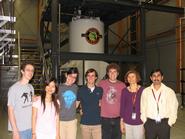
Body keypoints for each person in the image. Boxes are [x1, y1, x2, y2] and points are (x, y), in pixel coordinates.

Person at [140, 68, 178, 139]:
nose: (156, 77)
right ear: (151, 78)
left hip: (164, 123)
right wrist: (145, 122)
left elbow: (174, 108)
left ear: (162, 77)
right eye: (154, 76)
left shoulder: (169, 91)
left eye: (158, 75)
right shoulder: (146, 91)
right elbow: (142, 107)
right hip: (150, 123)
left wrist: (170, 123)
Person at [98, 63, 126, 139]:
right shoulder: (101, 83)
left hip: (118, 118)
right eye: (110, 71)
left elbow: (125, 102)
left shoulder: (122, 85)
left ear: (118, 73)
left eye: (115, 72)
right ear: (107, 73)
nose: (113, 73)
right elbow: (96, 96)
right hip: (105, 118)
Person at [8, 62, 34, 139]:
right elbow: (10, 111)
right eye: (28, 70)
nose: (30, 72)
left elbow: (30, 100)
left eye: (32, 70)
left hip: (31, 127)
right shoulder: (14, 88)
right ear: (22, 71)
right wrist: (15, 131)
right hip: (20, 129)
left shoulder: (30, 87)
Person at [77, 68, 103, 139]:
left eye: (93, 75)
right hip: (85, 123)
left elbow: (102, 104)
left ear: (96, 77)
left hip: (98, 123)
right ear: (86, 77)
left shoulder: (100, 90)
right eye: (88, 75)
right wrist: (80, 109)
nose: (91, 77)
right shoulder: (81, 90)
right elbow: (76, 104)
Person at [120, 70, 144, 139]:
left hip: (139, 121)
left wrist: (145, 123)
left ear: (137, 78)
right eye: (129, 77)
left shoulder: (143, 90)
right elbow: (122, 107)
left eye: (133, 76)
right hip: (127, 121)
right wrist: (121, 123)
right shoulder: (124, 91)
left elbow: (146, 107)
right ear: (127, 79)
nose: (131, 79)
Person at [58, 67, 79, 139]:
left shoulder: (76, 88)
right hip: (60, 121)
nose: (72, 79)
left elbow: (77, 102)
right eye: (71, 76)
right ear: (66, 75)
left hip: (72, 121)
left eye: (75, 77)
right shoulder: (59, 87)